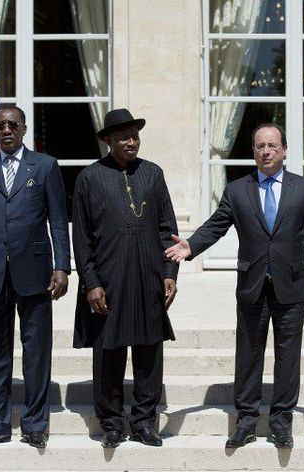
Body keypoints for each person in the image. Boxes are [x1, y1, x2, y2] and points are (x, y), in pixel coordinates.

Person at [165, 123, 304, 449]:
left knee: (287, 357)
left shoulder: (303, 188)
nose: (266, 151)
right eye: (260, 146)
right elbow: (216, 225)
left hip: (291, 287)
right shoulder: (238, 190)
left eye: (272, 146)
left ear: (284, 150)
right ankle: (246, 421)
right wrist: (191, 246)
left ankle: (281, 422)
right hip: (252, 286)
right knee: (248, 356)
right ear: (253, 151)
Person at [0, 104, 71, 449]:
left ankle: (35, 424)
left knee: (36, 351)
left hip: (35, 272)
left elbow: (57, 219)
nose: (6, 130)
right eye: (0, 125)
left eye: (12, 125)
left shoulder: (46, 166)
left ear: (24, 129)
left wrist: (62, 266)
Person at [72, 108, 179, 449]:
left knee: (149, 351)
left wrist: (170, 273)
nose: (131, 142)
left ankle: (145, 422)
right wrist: (91, 283)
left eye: (134, 136)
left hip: (149, 278)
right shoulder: (89, 177)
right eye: (122, 137)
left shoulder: (153, 173)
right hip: (108, 280)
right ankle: (112, 423)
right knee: (109, 353)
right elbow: (82, 238)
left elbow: (167, 229)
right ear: (107, 141)